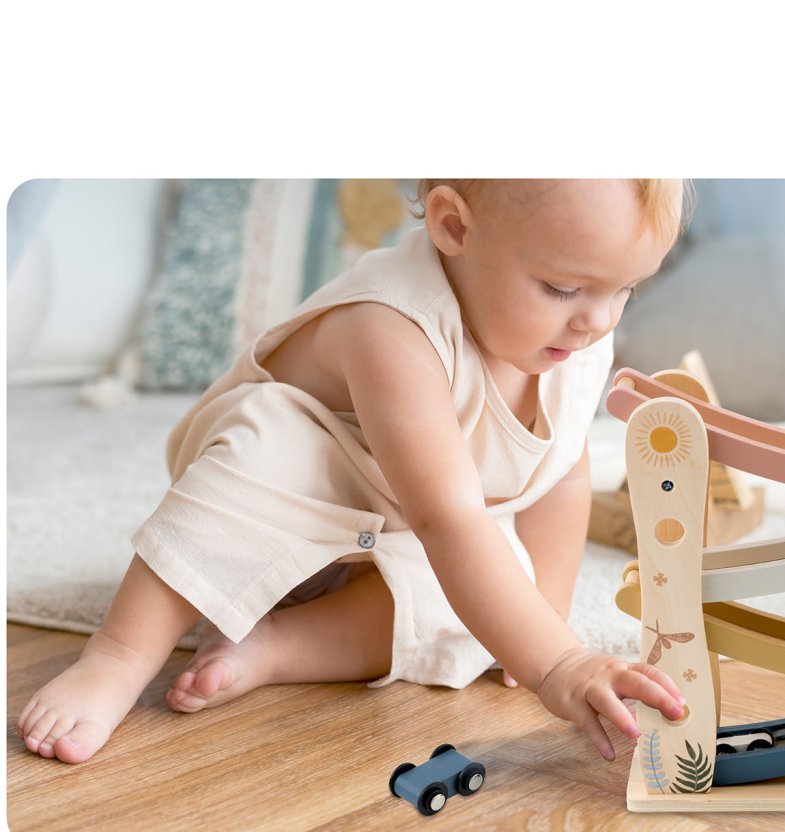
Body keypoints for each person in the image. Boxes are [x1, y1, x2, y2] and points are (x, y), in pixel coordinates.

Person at [18, 178, 693, 766]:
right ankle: (117, 658)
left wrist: (546, 624)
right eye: (563, 288)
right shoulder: (392, 325)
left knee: (498, 590)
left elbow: (562, 474)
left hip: (391, 533)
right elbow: (448, 517)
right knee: (278, 447)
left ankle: (277, 647)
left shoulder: (573, 338)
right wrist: (559, 664)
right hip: (263, 515)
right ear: (454, 227)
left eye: (626, 289)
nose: (597, 321)